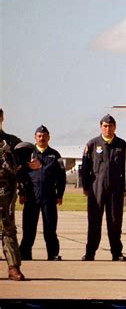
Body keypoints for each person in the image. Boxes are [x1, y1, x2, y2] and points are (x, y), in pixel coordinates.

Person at [81, 114, 126, 261]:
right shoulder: (92, 144)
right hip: (96, 189)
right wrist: (86, 187)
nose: (108, 128)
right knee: (94, 222)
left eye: (110, 126)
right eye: (105, 126)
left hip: (116, 189)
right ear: (101, 127)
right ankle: (90, 252)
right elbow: (85, 168)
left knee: (114, 222)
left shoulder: (122, 145)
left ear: (115, 127)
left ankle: (116, 252)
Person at [19, 125, 66, 261]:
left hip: (49, 196)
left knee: (50, 228)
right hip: (31, 196)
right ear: (35, 137)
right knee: (28, 228)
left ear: (49, 137)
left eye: (44, 136)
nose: (42, 138)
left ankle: (53, 254)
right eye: (39, 136)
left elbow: (61, 176)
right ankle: (25, 254)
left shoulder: (55, 155)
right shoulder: (27, 154)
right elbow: (21, 175)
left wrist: (60, 195)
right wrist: (22, 192)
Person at [0, 108, 34, 280]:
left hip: (5, 194)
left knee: (8, 230)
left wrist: (31, 165)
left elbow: (24, 166)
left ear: (2, 118)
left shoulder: (12, 142)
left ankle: (13, 267)